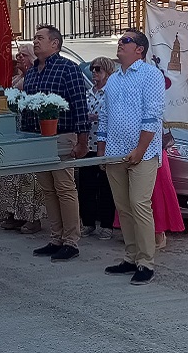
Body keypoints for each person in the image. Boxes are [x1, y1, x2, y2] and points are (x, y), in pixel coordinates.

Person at [97, 29, 165, 285]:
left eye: (125, 41)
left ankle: (146, 262)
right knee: (123, 208)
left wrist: (140, 149)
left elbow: (153, 115)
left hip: (143, 152)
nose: (119, 44)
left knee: (139, 204)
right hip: (115, 152)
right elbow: (104, 116)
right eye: (119, 40)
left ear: (139, 49)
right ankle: (131, 256)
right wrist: (101, 151)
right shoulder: (113, 79)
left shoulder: (151, 75)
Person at [22, 25, 90, 263]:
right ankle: (56, 238)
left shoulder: (68, 69)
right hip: (38, 140)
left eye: (40, 38)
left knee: (64, 187)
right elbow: (28, 108)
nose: (35, 41)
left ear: (55, 44)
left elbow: (80, 105)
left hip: (62, 135)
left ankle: (71, 241)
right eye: (35, 37)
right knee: (47, 189)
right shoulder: (31, 73)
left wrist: (83, 140)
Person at [0, 44, 45, 234]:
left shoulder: (34, 76)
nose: (19, 58)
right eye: (18, 55)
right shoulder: (16, 78)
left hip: (31, 129)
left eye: (23, 55)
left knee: (29, 177)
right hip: (14, 129)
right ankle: (11, 213)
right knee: (9, 174)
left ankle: (32, 217)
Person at [77, 56, 117, 240]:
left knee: (106, 187)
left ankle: (107, 225)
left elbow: (114, 118)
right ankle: (88, 223)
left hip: (108, 146)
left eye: (98, 69)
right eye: (92, 69)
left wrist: (98, 118)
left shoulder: (112, 93)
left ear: (108, 72)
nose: (94, 73)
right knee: (86, 186)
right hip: (88, 145)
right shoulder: (87, 94)